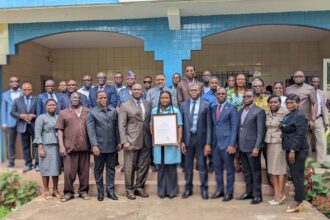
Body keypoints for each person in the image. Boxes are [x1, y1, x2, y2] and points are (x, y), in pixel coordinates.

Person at [56, 92, 91, 202]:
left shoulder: (87, 111)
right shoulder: (63, 113)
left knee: (84, 172)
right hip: (69, 148)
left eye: (77, 97)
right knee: (69, 172)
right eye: (73, 97)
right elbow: (60, 130)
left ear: (80, 99)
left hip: (85, 147)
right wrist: (61, 146)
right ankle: (68, 192)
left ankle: (83, 191)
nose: (75, 99)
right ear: (70, 99)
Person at [118, 84, 151, 200]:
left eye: (139, 89)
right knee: (129, 167)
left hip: (146, 139)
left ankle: (139, 187)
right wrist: (124, 141)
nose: (137, 91)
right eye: (135, 89)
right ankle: (129, 189)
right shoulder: (125, 105)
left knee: (143, 166)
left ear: (142, 91)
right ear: (131, 91)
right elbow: (121, 126)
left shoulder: (147, 104)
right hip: (131, 140)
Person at [180, 84, 212, 200]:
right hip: (188, 140)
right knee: (188, 167)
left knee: (202, 166)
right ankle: (188, 189)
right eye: (191, 90)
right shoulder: (183, 105)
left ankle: (204, 190)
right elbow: (181, 125)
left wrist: (208, 143)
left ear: (200, 91)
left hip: (201, 140)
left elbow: (209, 126)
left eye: (196, 90)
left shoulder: (206, 105)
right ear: (189, 91)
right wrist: (182, 141)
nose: (193, 92)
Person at [87, 91, 119, 201]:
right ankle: (100, 192)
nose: (103, 99)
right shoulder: (92, 112)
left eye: (105, 97)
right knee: (98, 170)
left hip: (112, 146)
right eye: (100, 98)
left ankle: (110, 191)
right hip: (99, 147)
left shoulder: (113, 111)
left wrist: (118, 142)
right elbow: (91, 131)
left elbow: (117, 128)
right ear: (96, 99)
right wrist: (94, 145)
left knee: (111, 169)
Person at [150, 91, 183, 199]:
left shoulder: (175, 111)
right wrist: (156, 137)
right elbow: (151, 126)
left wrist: (178, 141)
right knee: (161, 168)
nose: (164, 100)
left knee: (171, 169)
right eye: (162, 98)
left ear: (170, 99)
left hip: (172, 144)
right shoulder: (155, 110)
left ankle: (172, 191)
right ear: (159, 99)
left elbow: (179, 127)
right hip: (159, 145)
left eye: (166, 98)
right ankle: (162, 191)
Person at [280, 94, 309, 213]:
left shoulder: (300, 116)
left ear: (298, 103)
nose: (289, 105)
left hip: (298, 150)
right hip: (290, 149)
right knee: (295, 176)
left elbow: (300, 135)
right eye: (288, 103)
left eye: (292, 103)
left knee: (298, 177)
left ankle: (298, 202)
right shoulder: (290, 114)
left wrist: (292, 151)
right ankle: (299, 200)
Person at [236, 90, 265, 205]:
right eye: (244, 96)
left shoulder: (259, 111)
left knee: (255, 172)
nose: (246, 98)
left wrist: (257, 147)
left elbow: (260, 132)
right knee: (247, 172)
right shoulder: (240, 111)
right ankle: (249, 192)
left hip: (253, 148)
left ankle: (257, 195)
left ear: (254, 97)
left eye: (249, 96)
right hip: (242, 147)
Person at [211, 87, 238, 202]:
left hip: (227, 144)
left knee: (230, 170)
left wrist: (232, 144)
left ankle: (229, 193)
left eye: (223, 94)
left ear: (226, 95)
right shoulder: (213, 108)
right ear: (216, 96)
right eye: (219, 94)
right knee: (217, 169)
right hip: (215, 144)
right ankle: (220, 190)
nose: (221, 95)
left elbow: (234, 127)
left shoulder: (232, 108)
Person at [33, 99, 61, 200]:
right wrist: (40, 148)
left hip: (56, 145)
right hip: (45, 145)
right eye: (50, 105)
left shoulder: (59, 117)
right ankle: (46, 190)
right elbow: (37, 133)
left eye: (54, 105)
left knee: (55, 168)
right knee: (45, 168)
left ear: (56, 106)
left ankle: (55, 189)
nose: (52, 106)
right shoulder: (41, 117)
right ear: (46, 106)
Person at [286, 71, 318, 151]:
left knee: (305, 144)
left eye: (300, 76)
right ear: (293, 78)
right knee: (292, 142)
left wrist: (312, 120)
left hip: (304, 120)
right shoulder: (288, 89)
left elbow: (315, 104)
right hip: (290, 121)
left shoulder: (310, 88)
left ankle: (305, 162)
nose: (298, 78)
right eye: (296, 76)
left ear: (304, 78)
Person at [265, 95, 288, 205]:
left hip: (280, 143)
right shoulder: (267, 113)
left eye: (275, 102)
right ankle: (276, 193)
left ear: (280, 103)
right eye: (271, 102)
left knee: (280, 170)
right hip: (269, 143)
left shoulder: (285, 113)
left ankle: (281, 194)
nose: (273, 104)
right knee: (273, 170)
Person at [11, 82, 38, 173]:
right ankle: (28, 164)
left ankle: (37, 164)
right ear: (22, 90)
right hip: (23, 126)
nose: (27, 91)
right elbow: (12, 112)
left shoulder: (36, 99)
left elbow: (40, 111)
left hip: (34, 126)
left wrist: (34, 115)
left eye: (29, 89)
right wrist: (20, 115)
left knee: (36, 145)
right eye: (25, 90)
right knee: (25, 146)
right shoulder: (17, 100)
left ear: (32, 89)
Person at [1, 76, 22, 168]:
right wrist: (4, 122)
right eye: (12, 81)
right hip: (10, 122)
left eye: (16, 81)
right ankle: (11, 162)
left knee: (25, 142)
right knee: (11, 143)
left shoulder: (23, 92)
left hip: (22, 121)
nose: (14, 82)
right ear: (9, 83)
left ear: (19, 83)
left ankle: (28, 162)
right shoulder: (5, 94)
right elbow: (3, 109)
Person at [311, 76, 329, 164]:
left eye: (317, 82)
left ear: (319, 83)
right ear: (311, 83)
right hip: (309, 120)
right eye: (314, 81)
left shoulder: (321, 93)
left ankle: (321, 162)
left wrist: (326, 121)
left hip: (319, 119)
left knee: (321, 141)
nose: (315, 83)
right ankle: (307, 163)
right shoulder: (308, 92)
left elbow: (324, 107)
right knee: (306, 142)